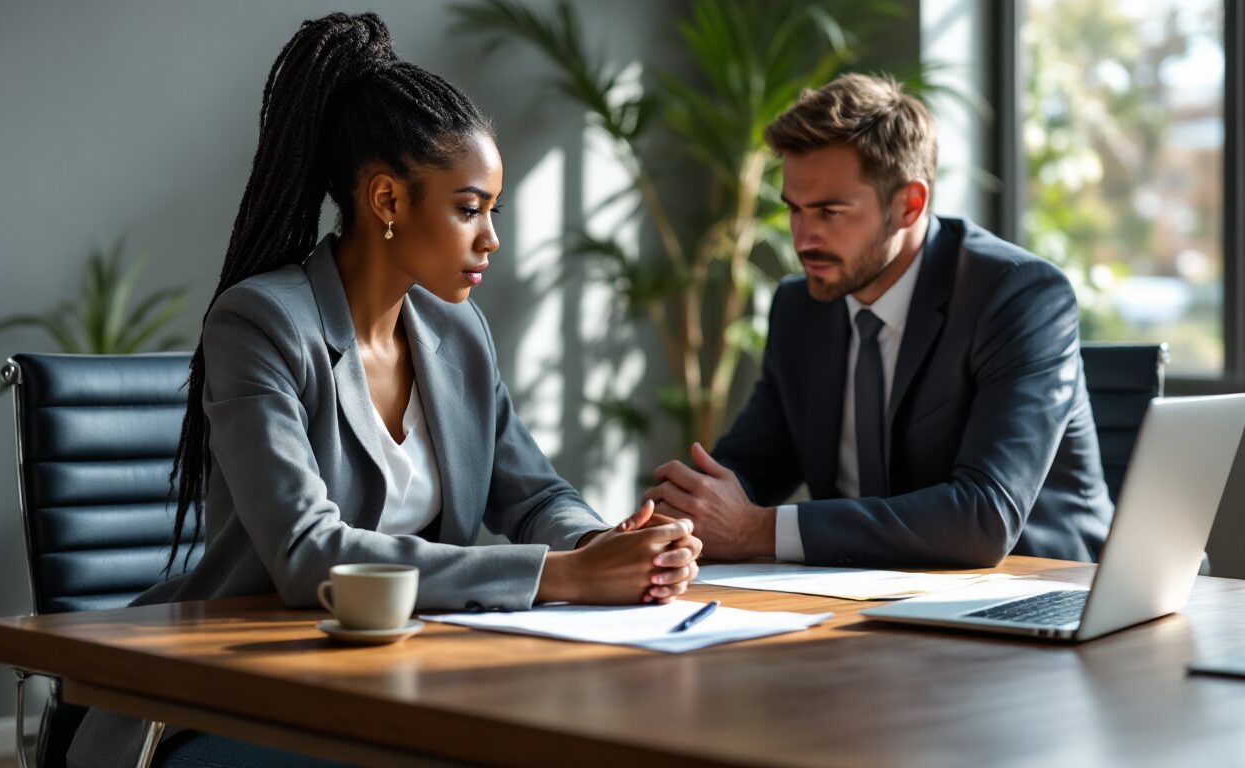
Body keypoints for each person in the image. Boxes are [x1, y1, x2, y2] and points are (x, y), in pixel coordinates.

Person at [68, 13, 699, 767]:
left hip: (406, 679)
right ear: (388, 201)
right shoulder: (261, 324)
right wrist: (565, 576)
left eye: (492, 211)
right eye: (468, 209)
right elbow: (308, 553)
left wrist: (601, 544)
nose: (491, 238)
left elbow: (534, 496)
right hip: (238, 695)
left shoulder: (458, 334)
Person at [644, 73, 1113, 568]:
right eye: (794, 210)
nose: (802, 239)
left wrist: (757, 530)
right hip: (866, 592)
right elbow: (751, 466)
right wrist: (681, 516)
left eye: (830, 212)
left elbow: (984, 517)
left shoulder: (1016, 296)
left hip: (1044, 588)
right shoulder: (801, 308)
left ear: (910, 205)